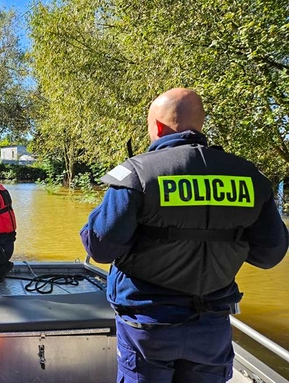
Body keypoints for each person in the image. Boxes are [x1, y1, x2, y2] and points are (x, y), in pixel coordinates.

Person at [80, 88, 288, 383]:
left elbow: (101, 247)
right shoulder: (251, 178)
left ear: (158, 127)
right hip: (212, 326)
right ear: (200, 124)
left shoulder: (136, 174)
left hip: (148, 325)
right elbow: (270, 255)